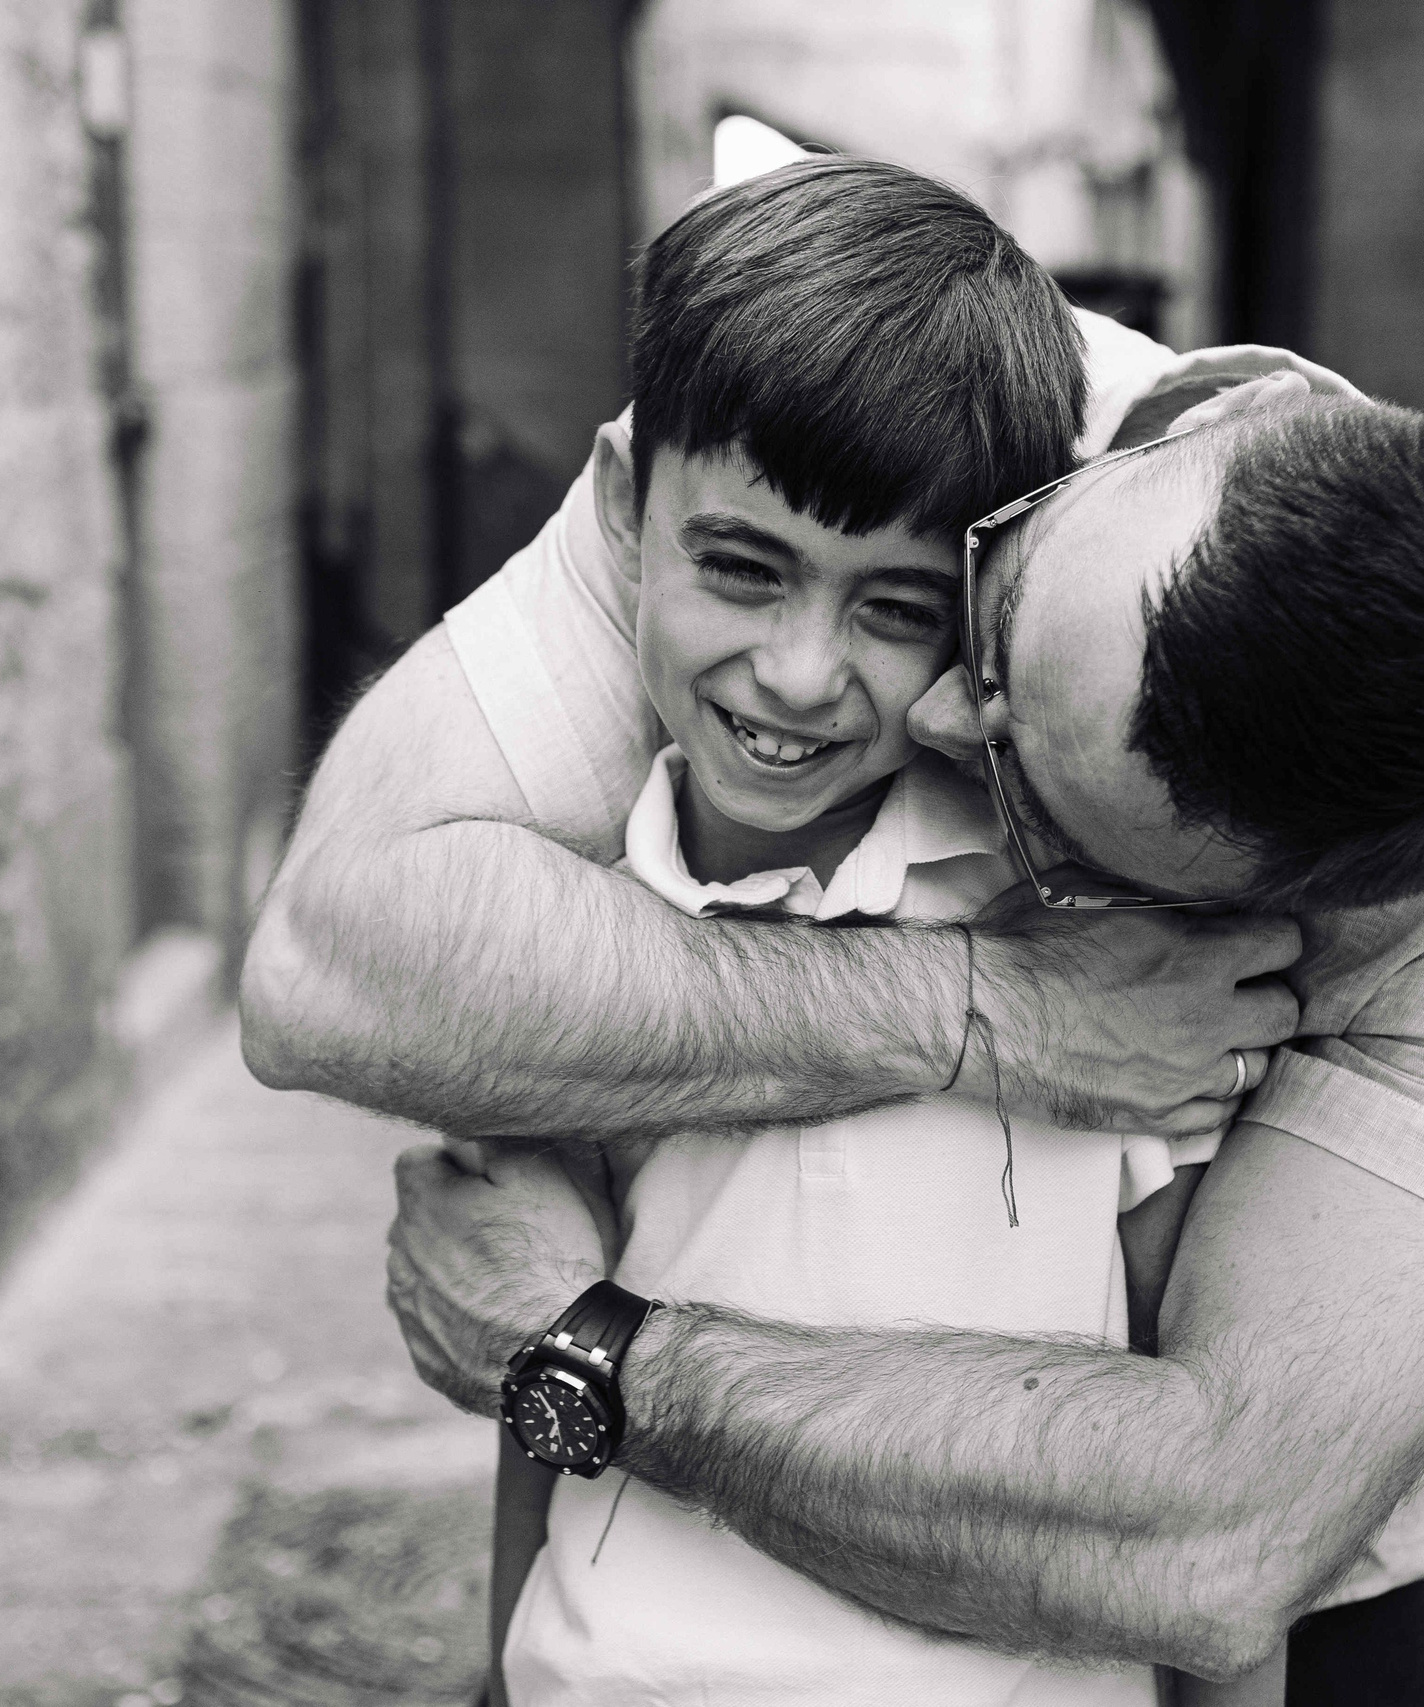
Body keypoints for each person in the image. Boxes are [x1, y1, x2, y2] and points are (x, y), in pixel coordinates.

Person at [247, 173, 1424, 1707]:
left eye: (1018, 786)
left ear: (1291, 907)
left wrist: (589, 1358)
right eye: (987, 627)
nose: (935, 712)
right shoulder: (939, 411)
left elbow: (1211, 1547)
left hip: (1366, 1536)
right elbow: (334, 964)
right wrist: (983, 1006)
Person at [467, 156, 1218, 1707]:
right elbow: (529, 1384)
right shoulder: (557, 915)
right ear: (624, 510)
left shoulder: (1095, 942)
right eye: (742, 570)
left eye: (893, 608)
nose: (801, 677)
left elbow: (1192, 1436)